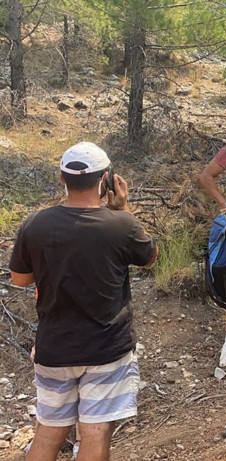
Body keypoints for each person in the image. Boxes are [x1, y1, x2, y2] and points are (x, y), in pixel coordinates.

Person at [9, 142, 158, 461]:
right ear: (106, 179)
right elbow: (149, 259)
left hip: (54, 348)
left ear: (62, 178)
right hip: (106, 349)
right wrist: (123, 210)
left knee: (47, 435)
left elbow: (20, 279)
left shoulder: (36, 223)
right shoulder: (121, 225)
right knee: (95, 433)